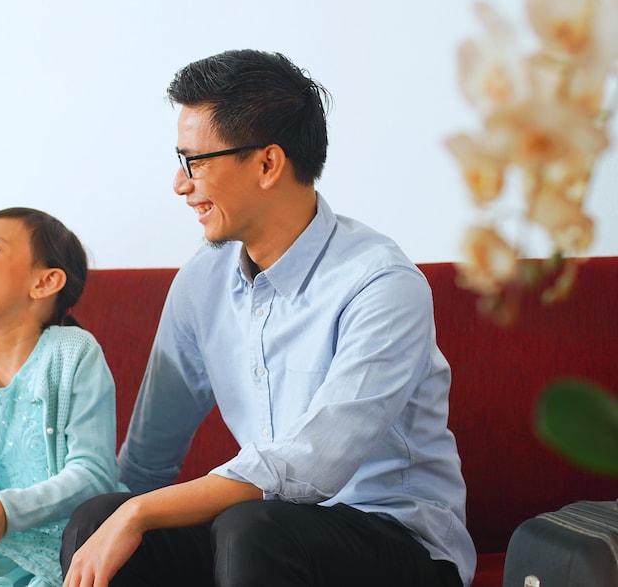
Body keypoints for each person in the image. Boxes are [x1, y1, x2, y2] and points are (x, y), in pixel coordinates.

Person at [60, 50, 476, 587]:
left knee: (250, 527)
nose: (180, 184)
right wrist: (106, 514)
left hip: (398, 542)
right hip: (260, 535)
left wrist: (139, 513)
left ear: (266, 164)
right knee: (98, 517)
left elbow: (310, 468)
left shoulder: (381, 283)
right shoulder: (201, 283)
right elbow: (145, 463)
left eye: (196, 161)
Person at [0, 208, 124, 587]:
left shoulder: (75, 352)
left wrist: (7, 510)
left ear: (45, 282)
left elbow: (94, 474)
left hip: (77, 556)